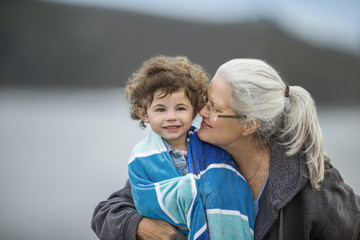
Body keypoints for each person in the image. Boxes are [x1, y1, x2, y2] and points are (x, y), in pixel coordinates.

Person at [91, 58, 360, 240]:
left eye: (215, 108)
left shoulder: (312, 184)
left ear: (249, 125)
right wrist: (143, 227)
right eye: (205, 100)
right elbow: (107, 211)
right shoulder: (185, 152)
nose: (201, 111)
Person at [101, 55, 254, 240]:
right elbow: (142, 197)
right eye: (160, 109)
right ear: (144, 114)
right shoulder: (143, 158)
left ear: (195, 110)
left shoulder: (214, 151)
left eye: (180, 108)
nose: (171, 116)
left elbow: (231, 188)